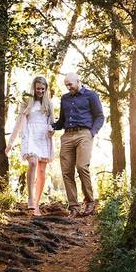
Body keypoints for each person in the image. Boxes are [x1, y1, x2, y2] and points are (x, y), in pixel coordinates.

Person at [52, 72, 104, 215]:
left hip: (84, 134)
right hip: (67, 135)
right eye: (66, 85)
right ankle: (74, 207)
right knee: (67, 172)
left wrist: (91, 133)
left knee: (82, 167)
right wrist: (52, 126)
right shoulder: (65, 99)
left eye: (70, 84)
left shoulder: (91, 95)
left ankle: (90, 201)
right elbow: (62, 121)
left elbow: (100, 116)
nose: (68, 87)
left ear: (78, 81)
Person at [5, 76, 55, 217]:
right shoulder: (26, 102)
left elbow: (52, 122)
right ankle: (30, 199)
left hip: (44, 136)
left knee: (41, 171)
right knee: (33, 163)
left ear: (46, 89)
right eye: (38, 88)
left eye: (42, 89)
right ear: (33, 88)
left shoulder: (49, 104)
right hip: (31, 135)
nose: (40, 91)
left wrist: (52, 130)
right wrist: (10, 142)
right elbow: (18, 123)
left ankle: (37, 204)